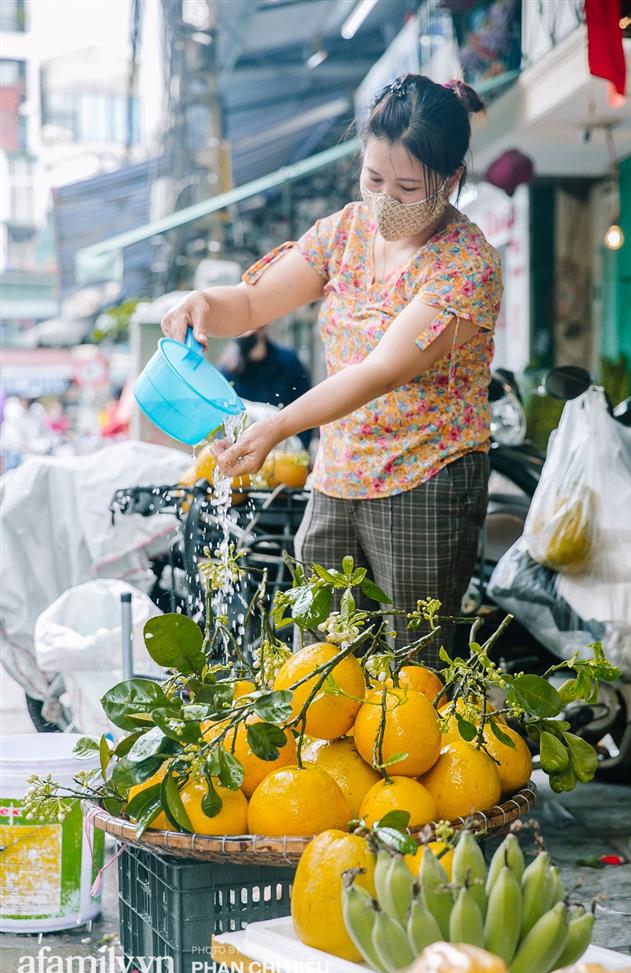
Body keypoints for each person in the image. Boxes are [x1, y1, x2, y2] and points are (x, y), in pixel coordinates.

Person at [161, 75, 502, 665]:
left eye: (407, 187)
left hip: (423, 477)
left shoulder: (466, 266)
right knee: (318, 665)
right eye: (374, 179)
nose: (385, 201)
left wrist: (275, 428)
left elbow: (382, 372)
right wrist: (203, 305)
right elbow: (253, 303)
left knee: (408, 674)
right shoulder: (345, 231)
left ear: (449, 182)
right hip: (338, 475)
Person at [219, 325, 312, 448]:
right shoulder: (228, 372)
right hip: (246, 450)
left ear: (261, 329)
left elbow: (306, 407)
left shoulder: (289, 362)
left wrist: (301, 450)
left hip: (286, 449)